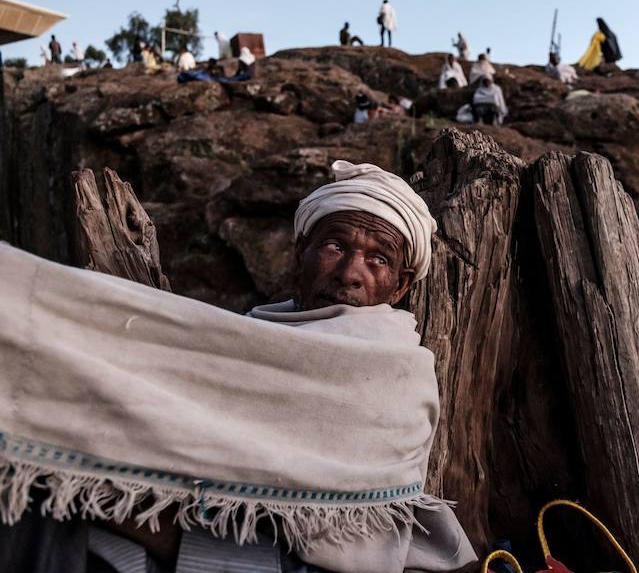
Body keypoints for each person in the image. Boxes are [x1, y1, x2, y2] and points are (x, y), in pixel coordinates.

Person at [0, 161, 477, 573]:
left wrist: (124, 510)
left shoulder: (399, 377)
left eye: (379, 259)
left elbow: (348, 544)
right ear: (301, 251)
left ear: (400, 286)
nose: (352, 271)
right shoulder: (245, 338)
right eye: (335, 246)